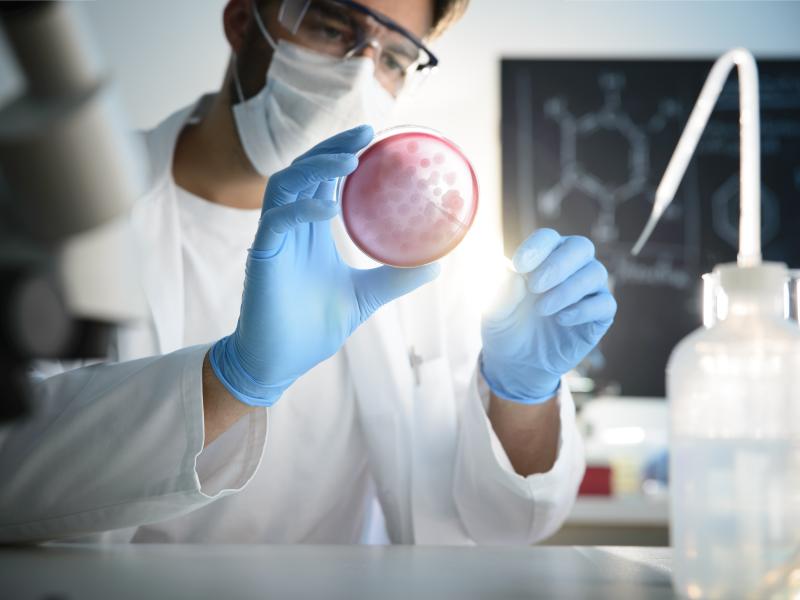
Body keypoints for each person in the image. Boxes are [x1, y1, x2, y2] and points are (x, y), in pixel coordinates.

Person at [0, 0, 616, 545]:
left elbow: (505, 523)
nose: (359, 72)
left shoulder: (416, 254)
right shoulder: (58, 204)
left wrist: (520, 394)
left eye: (395, 59)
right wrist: (232, 381)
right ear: (243, 22)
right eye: (330, 25)